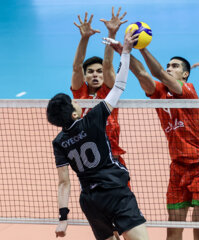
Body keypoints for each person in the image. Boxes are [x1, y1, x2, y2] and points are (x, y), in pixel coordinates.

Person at [107, 35, 199, 240]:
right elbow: (141, 73)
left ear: (185, 74)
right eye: (168, 65)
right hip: (177, 167)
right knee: (173, 230)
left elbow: (157, 72)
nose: (169, 68)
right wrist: (124, 51)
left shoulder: (188, 92)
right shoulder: (159, 93)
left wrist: (141, 47)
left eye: (174, 66)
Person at [47, 31, 149, 240]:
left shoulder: (59, 142)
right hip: (113, 185)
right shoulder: (93, 119)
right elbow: (120, 84)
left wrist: (63, 218)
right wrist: (126, 52)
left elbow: (64, 182)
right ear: (74, 111)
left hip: (90, 198)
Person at [71, 8, 129, 183]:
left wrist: (111, 33)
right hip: (89, 160)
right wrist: (84, 38)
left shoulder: (109, 92)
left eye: (99, 71)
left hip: (113, 158)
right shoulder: (79, 93)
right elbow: (77, 66)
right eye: (90, 72)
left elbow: (109, 64)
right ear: (85, 76)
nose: (95, 74)